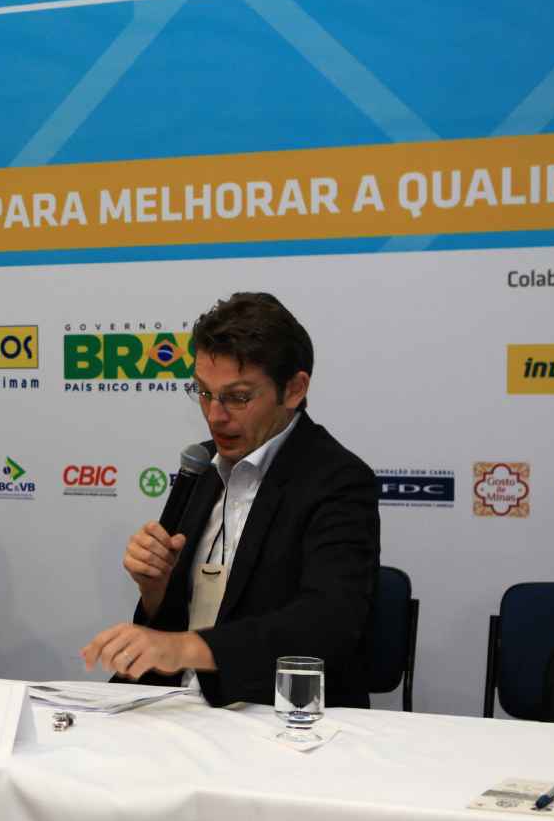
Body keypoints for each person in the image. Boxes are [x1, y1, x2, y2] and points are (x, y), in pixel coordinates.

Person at [81, 293, 380, 707]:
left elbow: (326, 624)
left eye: (238, 397)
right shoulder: (202, 465)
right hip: (174, 705)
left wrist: (186, 648)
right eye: (203, 392)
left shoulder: (338, 480)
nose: (214, 415)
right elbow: (170, 626)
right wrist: (156, 589)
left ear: (294, 389)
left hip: (273, 712)